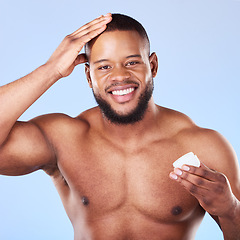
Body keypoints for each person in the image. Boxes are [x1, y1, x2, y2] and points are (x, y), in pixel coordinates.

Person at [0, 13, 239, 240]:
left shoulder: (204, 146)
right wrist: (50, 70)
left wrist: (230, 209)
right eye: (104, 67)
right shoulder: (64, 138)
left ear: (153, 66)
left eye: (132, 62)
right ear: (88, 76)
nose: (119, 76)